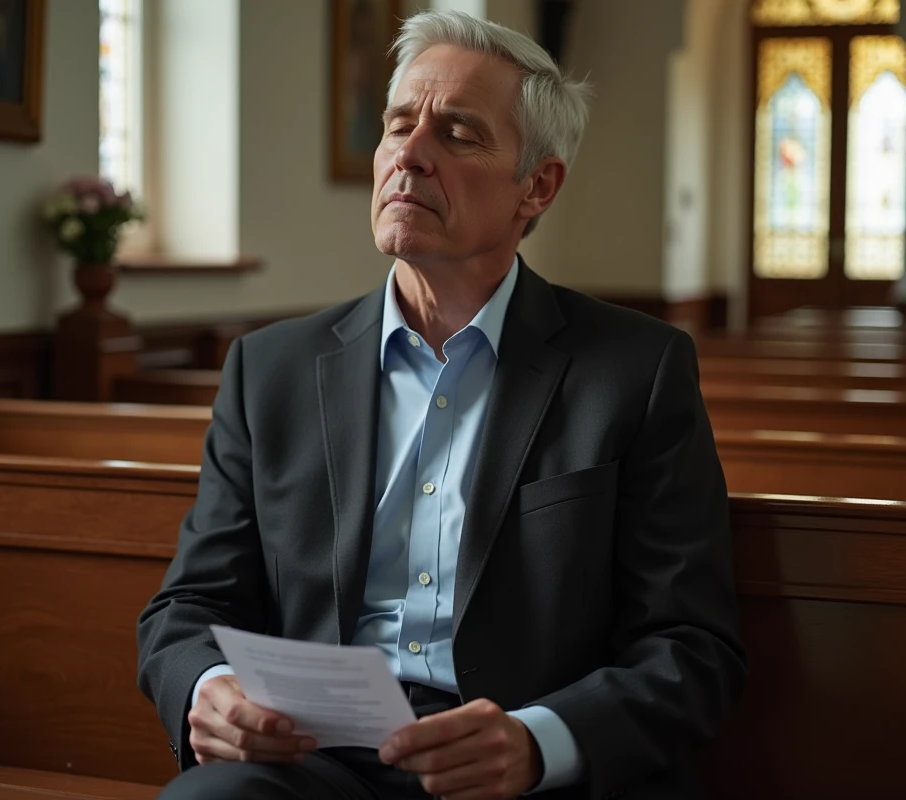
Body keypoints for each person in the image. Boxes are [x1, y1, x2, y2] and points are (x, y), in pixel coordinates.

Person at [137, 10, 746, 800]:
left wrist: (537, 744)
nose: (410, 154)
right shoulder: (270, 370)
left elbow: (691, 647)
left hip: (519, 767)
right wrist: (208, 689)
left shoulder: (636, 369)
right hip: (317, 760)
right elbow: (189, 606)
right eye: (398, 125)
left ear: (537, 186)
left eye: (458, 134)